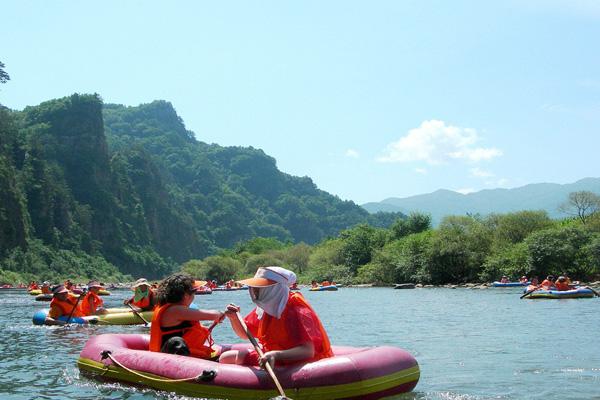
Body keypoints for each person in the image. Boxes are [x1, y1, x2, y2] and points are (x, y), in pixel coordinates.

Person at [219, 266, 333, 367]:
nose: (255, 290)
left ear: (274, 289)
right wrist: (234, 318)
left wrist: (276, 355)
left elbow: (308, 351)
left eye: (260, 287)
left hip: (296, 361)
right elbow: (245, 334)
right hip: (271, 355)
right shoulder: (266, 308)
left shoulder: (298, 310)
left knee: (226, 358)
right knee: (226, 357)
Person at [149, 273, 231, 358]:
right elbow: (214, 315)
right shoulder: (176, 311)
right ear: (186, 295)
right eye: (194, 292)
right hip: (171, 360)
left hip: (172, 355)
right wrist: (223, 313)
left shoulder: (168, 308)